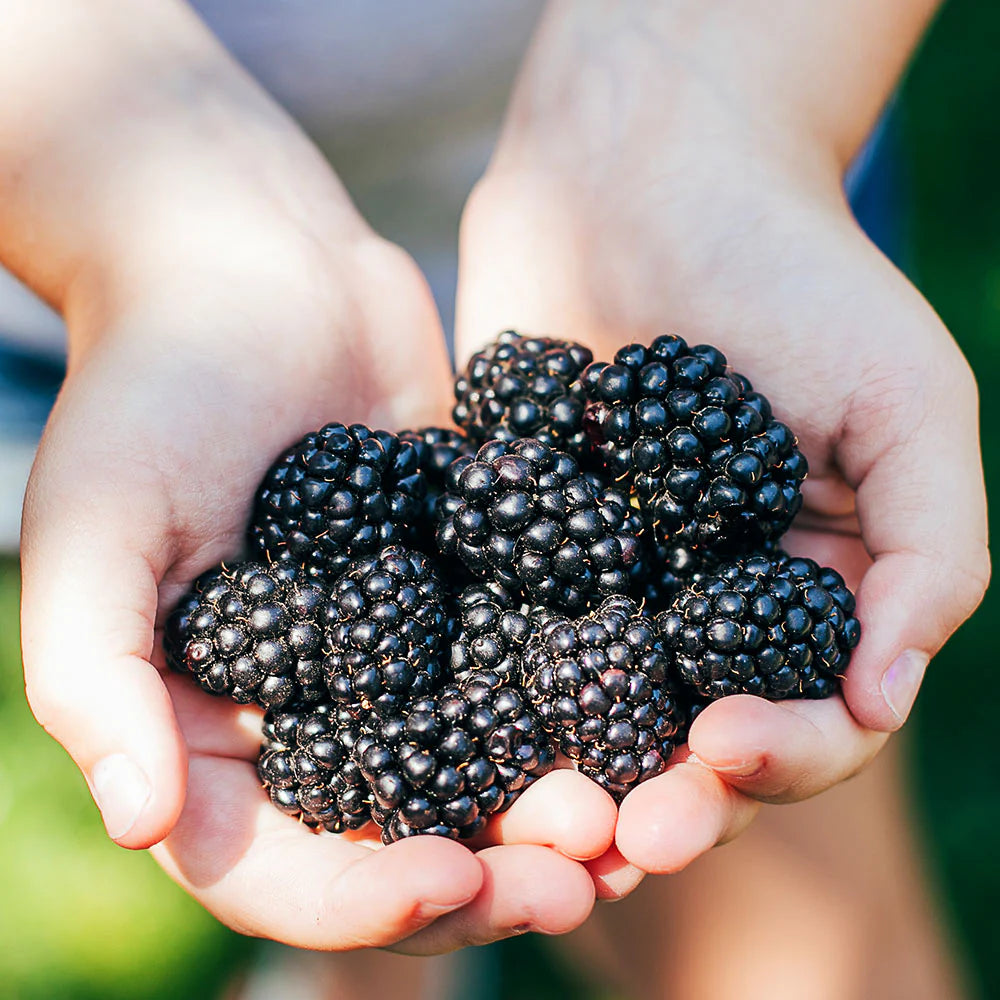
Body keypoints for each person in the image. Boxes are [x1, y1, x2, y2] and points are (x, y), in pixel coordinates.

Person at [2, 1, 988, 996]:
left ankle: (373, 957)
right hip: (141, 263)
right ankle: (364, 968)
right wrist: (149, 239)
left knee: (794, 943)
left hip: (715, 113)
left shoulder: (559, 558)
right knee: (389, 886)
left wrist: (719, 105)